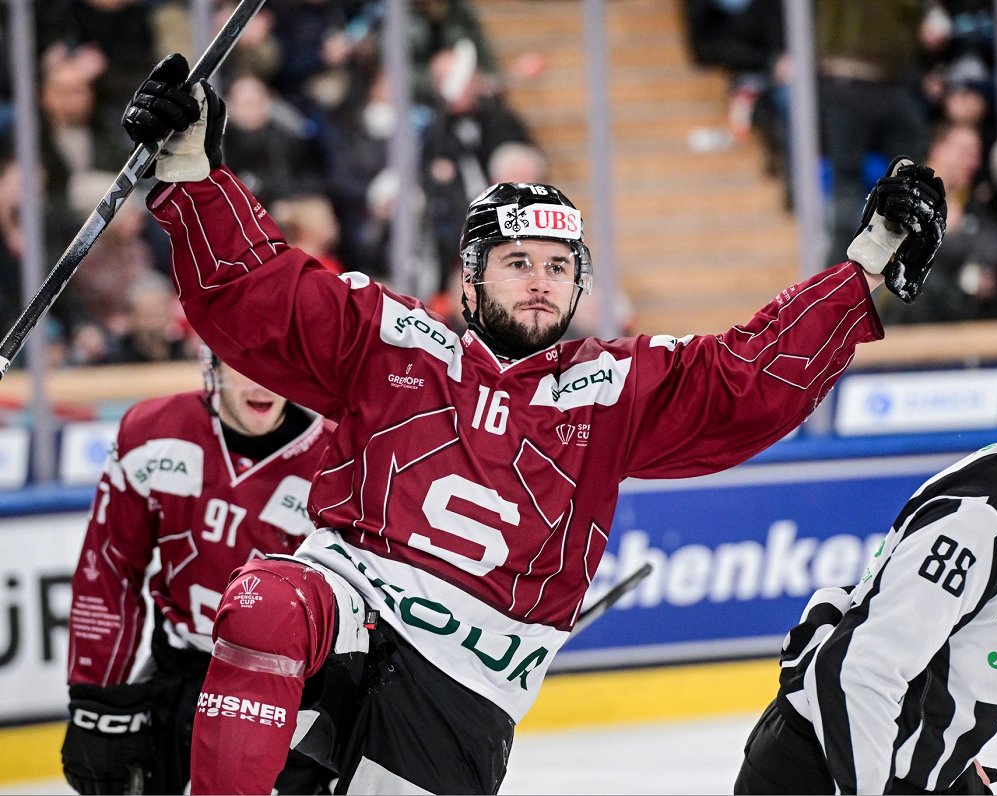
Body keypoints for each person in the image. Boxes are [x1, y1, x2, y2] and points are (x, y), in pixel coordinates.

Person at [118, 53, 946, 794]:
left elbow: (747, 379)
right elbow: (261, 298)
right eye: (518, 265)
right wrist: (194, 175)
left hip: (464, 687)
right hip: (345, 609)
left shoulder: (612, 388)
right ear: (471, 282)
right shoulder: (393, 338)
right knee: (266, 599)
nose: (541, 283)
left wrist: (864, 265)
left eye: (558, 267)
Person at [735, 325, 997, 795]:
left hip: (881, 762)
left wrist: (950, 762)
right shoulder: (980, 523)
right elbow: (856, 673)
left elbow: (950, 650)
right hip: (821, 772)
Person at [60, 351, 336, 795]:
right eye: (246, 362)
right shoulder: (152, 435)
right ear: (213, 363)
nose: (263, 382)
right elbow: (110, 569)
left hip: (290, 692)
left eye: (278, 362)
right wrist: (95, 697)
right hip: (178, 676)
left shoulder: (338, 460)